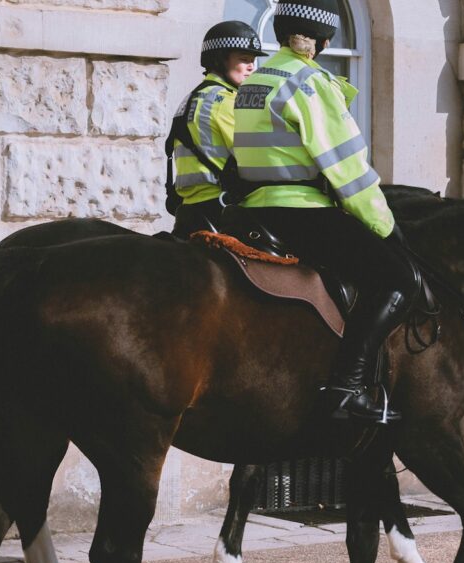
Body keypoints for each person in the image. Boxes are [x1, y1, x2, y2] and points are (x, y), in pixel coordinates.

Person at [232, 0, 419, 423]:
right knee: (399, 277)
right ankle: (346, 387)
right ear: (318, 39)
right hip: (302, 211)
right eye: (326, 37)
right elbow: (348, 171)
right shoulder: (309, 83)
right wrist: (386, 227)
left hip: (256, 211)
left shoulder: (255, 80)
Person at [167, 21, 267, 238]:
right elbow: (256, 158)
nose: (252, 66)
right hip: (221, 210)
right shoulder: (226, 101)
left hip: (189, 210)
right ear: (219, 60)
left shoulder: (189, 99)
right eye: (244, 60)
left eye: (253, 60)